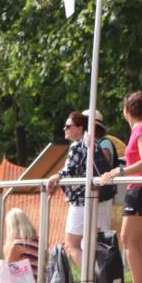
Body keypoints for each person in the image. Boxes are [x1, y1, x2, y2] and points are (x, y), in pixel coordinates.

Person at [100, 91, 142, 283]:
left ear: (126, 111)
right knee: (137, 242)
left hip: (140, 189)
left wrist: (120, 171)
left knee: (128, 240)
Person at [47, 111, 109, 270]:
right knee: (88, 244)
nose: (64, 129)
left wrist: (55, 177)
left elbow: (70, 170)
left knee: (72, 244)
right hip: (95, 198)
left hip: (80, 201)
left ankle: (90, 281)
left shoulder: (77, 145)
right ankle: (94, 282)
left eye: (68, 126)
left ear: (80, 128)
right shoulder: (94, 144)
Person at [83, 108, 116, 231]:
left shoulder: (104, 143)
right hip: (92, 193)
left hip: (102, 193)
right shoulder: (89, 143)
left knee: (100, 229)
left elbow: (103, 168)